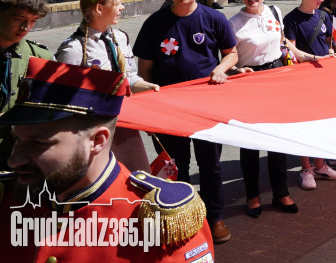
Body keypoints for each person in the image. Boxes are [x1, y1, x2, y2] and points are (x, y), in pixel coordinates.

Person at [0, 58, 214, 262]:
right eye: (17, 140)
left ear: (97, 141)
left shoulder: (160, 222)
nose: (14, 160)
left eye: (39, 143)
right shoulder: (11, 196)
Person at [134, 0, 237, 244]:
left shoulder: (214, 18)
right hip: (168, 110)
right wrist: (147, 111)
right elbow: (144, 72)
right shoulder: (155, 24)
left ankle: (215, 217)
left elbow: (232, 54)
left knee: (211, 166)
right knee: (176, 168)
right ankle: (181, 217)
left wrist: (222, 68)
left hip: (206, 107)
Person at [228, 0, 313, 218]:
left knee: (278, 138)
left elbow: (285, 43)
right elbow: (225, 56)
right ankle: (252, 195)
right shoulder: (232, 23)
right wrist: (235, 69)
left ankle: (281, 192)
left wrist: (312, 57)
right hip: (249, 80)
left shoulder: (275, 11)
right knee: (250, 142)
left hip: (276, 76)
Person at [54, 0, 158, 172]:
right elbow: (63, 97)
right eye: (118, 3)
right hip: (91, 134)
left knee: (137, 178)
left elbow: (129, 79)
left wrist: (148, 86)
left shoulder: (121, 38)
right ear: (99, 9)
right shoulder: (74, 49)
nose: (122, 7)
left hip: (125, 128)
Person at [282, 0, 336, 190]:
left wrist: (332, 55)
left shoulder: (325, 17)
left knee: (323, 122)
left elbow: (329, 44)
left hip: (324, 76)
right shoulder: (291, 20)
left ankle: (320, 164)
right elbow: (293, 51)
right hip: (303, 78)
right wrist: (318, 58)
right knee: (305, 124)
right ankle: (306, 168)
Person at [0, 0, 52, 166]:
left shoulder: (39, 57)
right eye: (19, 19)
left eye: (33, 21)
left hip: (20, 155)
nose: (26, 27)